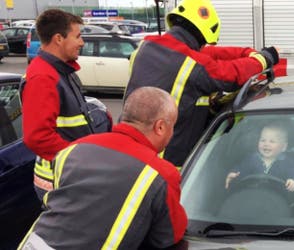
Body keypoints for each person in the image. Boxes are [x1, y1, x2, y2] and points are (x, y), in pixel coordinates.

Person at [18, 87, 187, 249]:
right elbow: (167, 237)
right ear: (160, 127)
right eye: (172, 127)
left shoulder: (73, 149)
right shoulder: (160, 173)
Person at [125, 0, 280, 167]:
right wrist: (265, 58)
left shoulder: (145, 47)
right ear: (202, 35)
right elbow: (231, 75)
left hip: (129, 151)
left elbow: (209, 54)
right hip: (165, 161)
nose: (205, 46)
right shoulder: (191, 64)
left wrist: (247, 53)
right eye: (205, 42)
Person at [22, 9, 110, 200]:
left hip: (69, 175)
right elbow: (37, 137)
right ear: (59, 39)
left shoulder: (60, 71)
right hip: (60, 180)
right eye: (77, 36)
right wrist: (80, 159)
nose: (82, 42)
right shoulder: (43, 77)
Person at [225, 122, 294, 192]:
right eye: (262, 140)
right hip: (252, 196)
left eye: (272, 141)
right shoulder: (251, 159)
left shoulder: (288, 163)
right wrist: (233, 173)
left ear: (283, 147)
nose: (266, 144)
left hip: (277, 200)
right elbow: (240, 169)